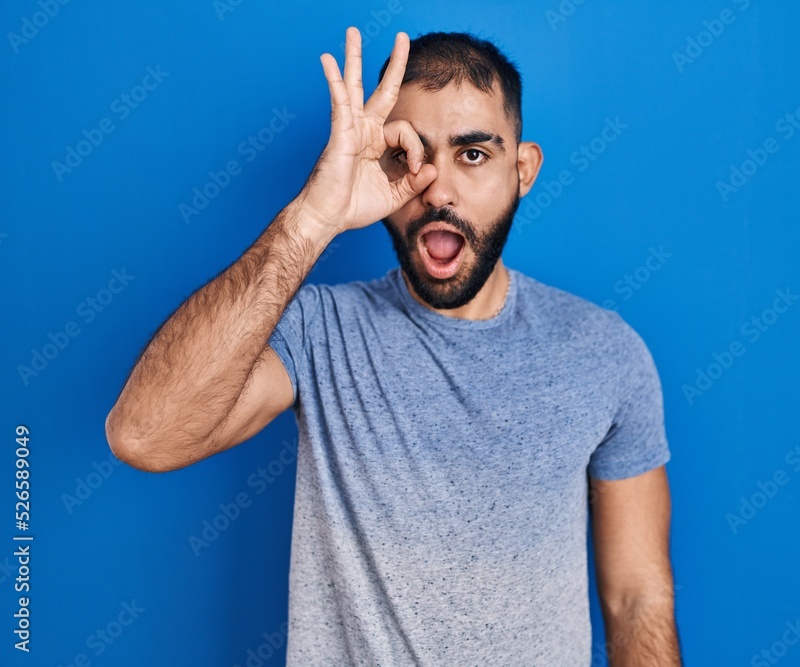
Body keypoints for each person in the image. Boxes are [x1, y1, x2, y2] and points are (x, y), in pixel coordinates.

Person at [105, 26, 682, 666]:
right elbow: (144, 435)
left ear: (522, 171)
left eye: (472, 155)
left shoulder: (604, 352)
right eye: (411, 155)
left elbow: (637, 600)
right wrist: (313, 217)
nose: (437, 189)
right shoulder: (319, 332)